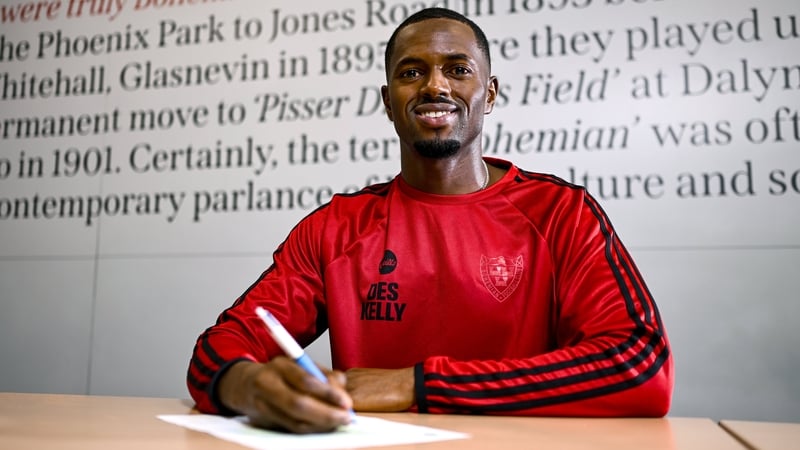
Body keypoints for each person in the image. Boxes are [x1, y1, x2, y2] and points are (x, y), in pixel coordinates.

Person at [187, 7, 673, 433]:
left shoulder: (562, 213)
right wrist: (250, 387)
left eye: (458, 69)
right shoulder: (336, 228)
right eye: (411, 72)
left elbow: (639, 366)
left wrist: (416, 384)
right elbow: (221, 347)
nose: (434, 85)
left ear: (491, 93)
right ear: (388, 101)